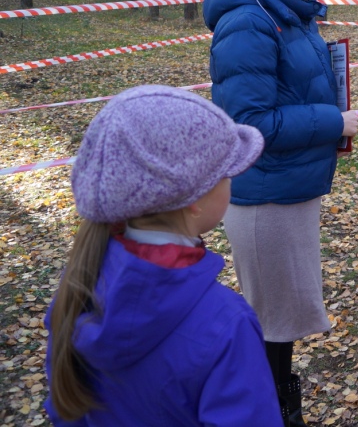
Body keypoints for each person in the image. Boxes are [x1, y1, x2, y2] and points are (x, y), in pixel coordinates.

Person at [203, 0, 358, 425]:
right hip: (263, 196)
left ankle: (278, 406)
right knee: (271, 321)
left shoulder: (286, 10)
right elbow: (249, 125)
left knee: (281, 321)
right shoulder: (250, 21)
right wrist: (335, 122)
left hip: (289, 190)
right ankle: (273, 412)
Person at [45, 85, 279, 426]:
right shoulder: (227, 323)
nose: (232, 181)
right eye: (226, 173)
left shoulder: (77, 290)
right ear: (195, 199)